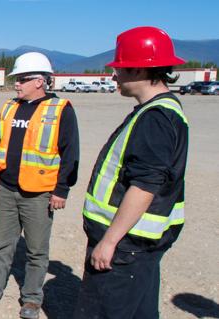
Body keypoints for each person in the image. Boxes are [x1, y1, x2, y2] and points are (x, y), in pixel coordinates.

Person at [74, 26, 188, 319]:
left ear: (139, 69)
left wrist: (109, 241)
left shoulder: (155, 119)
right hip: (137, 246)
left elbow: (144, 186)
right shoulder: (164, 110)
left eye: (120, 69)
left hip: (126, 245)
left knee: (104, 312)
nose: (115, 76)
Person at [0, 52, 80, 319]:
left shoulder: (60, 109)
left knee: (36, 250)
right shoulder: (9, 107)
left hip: (40, 194)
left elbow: (70, 153)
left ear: (40, 81)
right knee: (0, 244)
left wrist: (61, 189)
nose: (16, 84)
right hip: (8, 189)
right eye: (17, 79)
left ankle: (31, 299)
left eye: (22, 79)